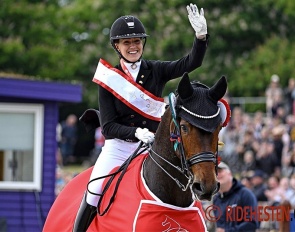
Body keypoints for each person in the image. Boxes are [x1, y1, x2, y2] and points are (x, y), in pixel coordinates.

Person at [73, 3, 210, 231]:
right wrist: (135, 132)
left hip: (153, 148)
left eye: (137, 41)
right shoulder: (109, 80)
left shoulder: (156, 69)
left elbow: (191, 63)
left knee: (184, 182)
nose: (133, 46)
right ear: (117, 46)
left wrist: (201, 36)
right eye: (127, 42)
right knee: (93, 193)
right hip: (118, 148)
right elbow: (107, 128)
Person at [213, 162, 259, 232]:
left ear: (230, 174)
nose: (217, 174)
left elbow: (252, 223)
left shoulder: (245, 194)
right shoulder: (216, 200)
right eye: (214, 173)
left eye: (220, 171)